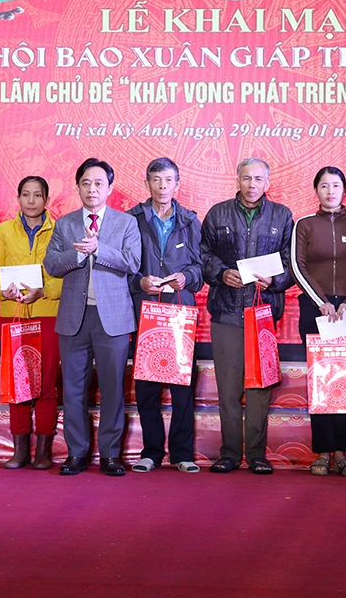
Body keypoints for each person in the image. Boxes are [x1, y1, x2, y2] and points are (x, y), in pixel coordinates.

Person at [44, 158, 141, 477]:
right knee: (73, 389)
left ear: (110, 188)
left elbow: (133, 263)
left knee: (113, 389)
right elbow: (51, 264)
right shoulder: (65, 224)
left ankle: (111, 455)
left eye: (99, 183)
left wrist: (99, 249)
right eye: (86, 183)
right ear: (78, 187)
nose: (92, 189)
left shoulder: (126, 223)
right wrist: (78, 254)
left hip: (113, 319)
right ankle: (76, 453)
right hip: (74, 317)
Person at [201, 158, 294, 475]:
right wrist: (220, 273)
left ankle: (256, 454)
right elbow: (203, 255)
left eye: (258, 179)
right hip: (226, 312)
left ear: (267, 182)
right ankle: (229, 453)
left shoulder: (282, 216)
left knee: (259, 388)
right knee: (228, 389)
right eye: (246, 178)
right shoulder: (218, 214)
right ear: (237, 180)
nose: (252, 184)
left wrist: (276, 281)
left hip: (263, 313)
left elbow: (291, 262)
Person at [291, 166, 346, 478]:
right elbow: (297, 266)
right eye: (324, 186)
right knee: (321, 380)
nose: (330, 191)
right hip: (316, 310)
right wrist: (320, 301)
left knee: (345, 380)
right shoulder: (305, 224)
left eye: (336, 185)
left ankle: (342, 453)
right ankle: (322, 452)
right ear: (316, 191)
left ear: (344, 190)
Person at [127, 158, 204, 474]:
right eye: (156, 180)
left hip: (180, 313)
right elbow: (124, 267)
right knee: (147, 386)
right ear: (147, 183)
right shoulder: (132, 219)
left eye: (168, 180)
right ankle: (151, 452)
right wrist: (140, 281)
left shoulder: (190, 221)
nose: (162, 186)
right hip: (146, 311)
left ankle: (182, 453)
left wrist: (187, 277)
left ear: (177, 184)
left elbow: (200, 268)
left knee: (182, 386)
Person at [0, 176, 63, 470]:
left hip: (47, 314)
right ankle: (19, 451)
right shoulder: (3, 231)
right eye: (26, 195)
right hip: (14, 314)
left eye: (37, 195)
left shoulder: (60, 231)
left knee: (45, 384)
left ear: (47, 200)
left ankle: (43, 451)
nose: (31, 201)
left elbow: (69, 275)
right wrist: (1, 290)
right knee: (17, 384)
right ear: (18, 198)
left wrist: (45, 291)